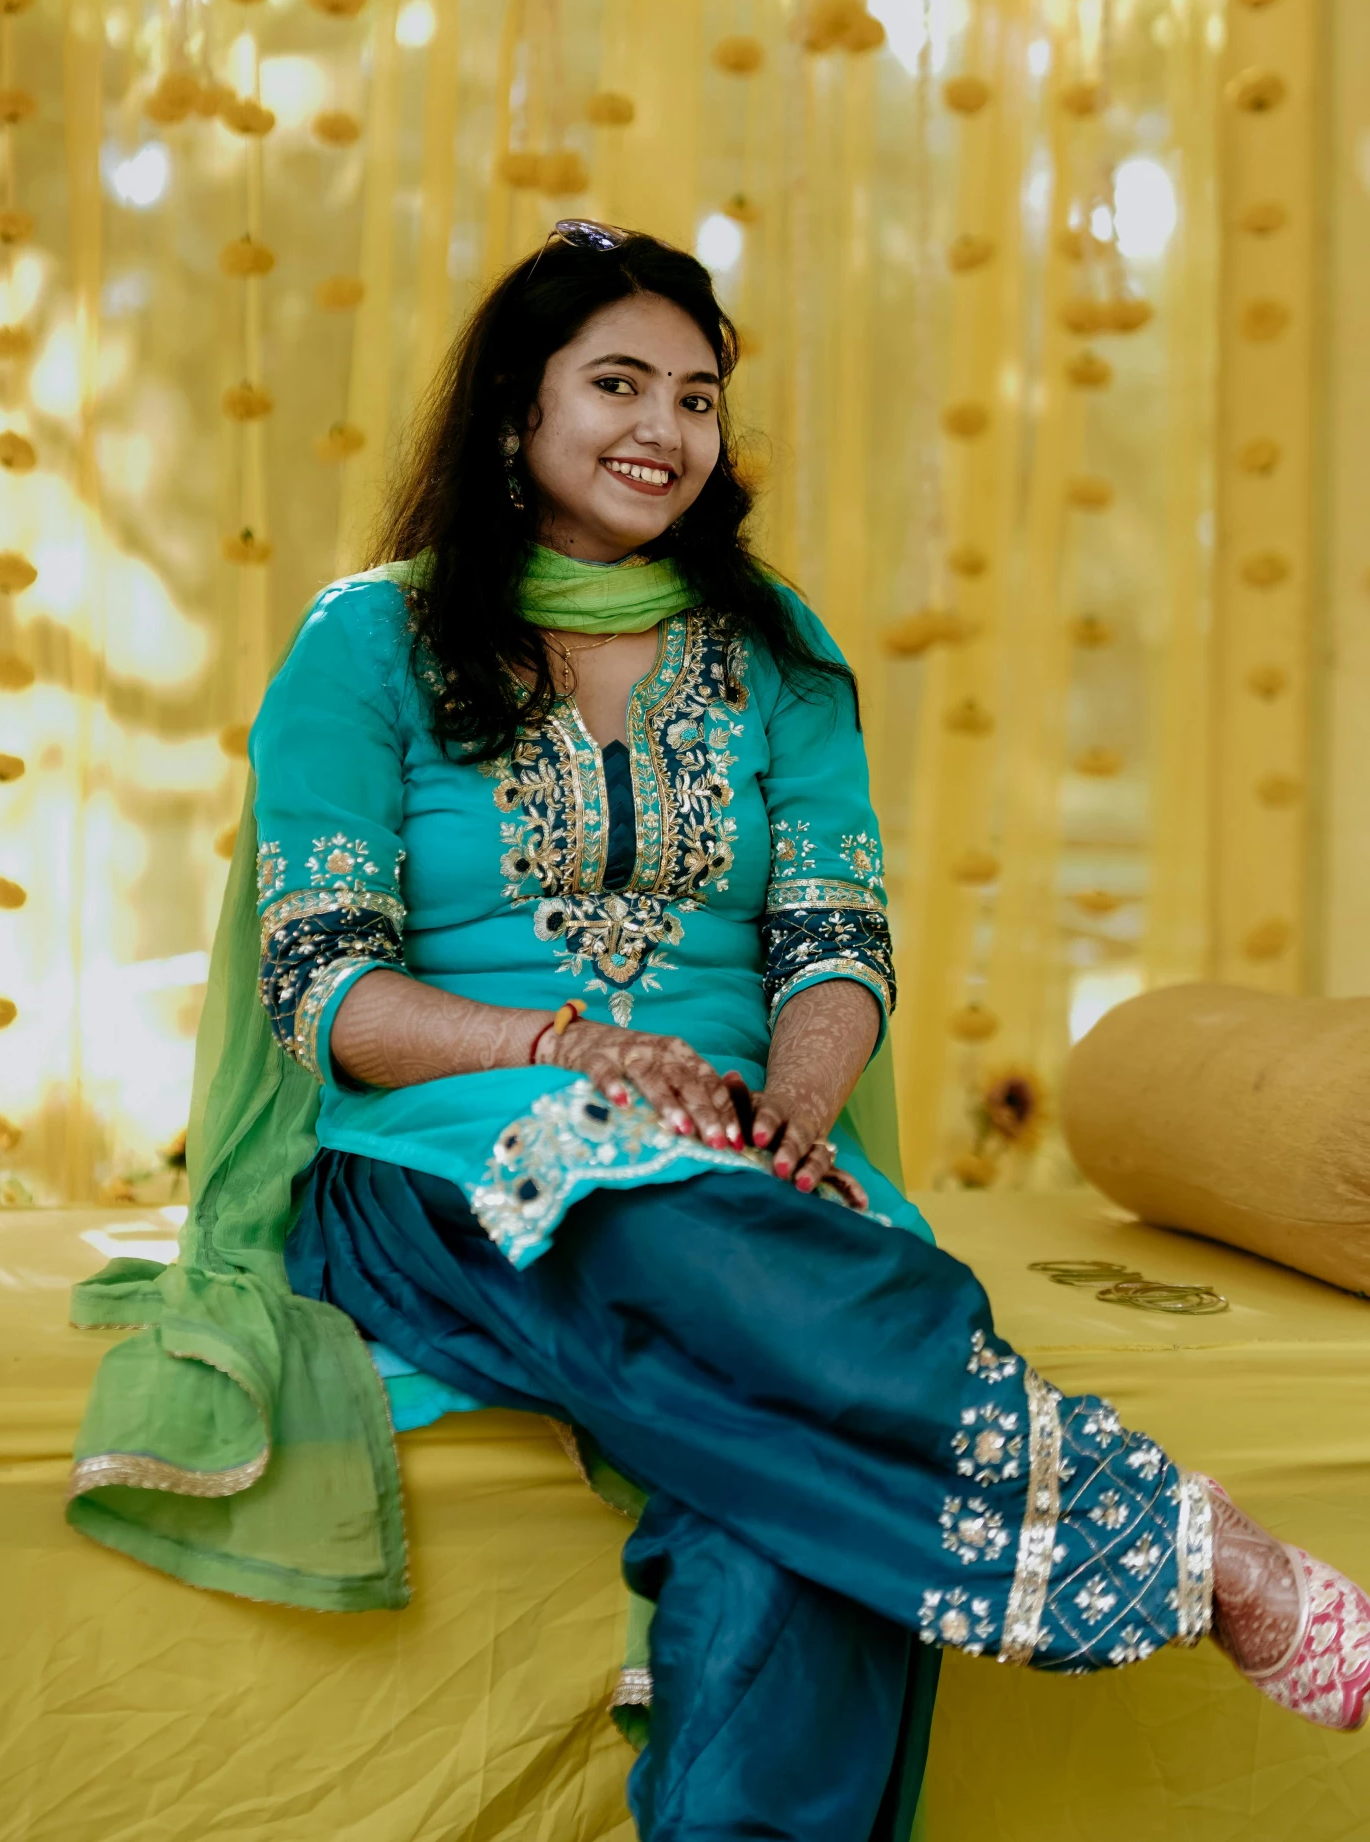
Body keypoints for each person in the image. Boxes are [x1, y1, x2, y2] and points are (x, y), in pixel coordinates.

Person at [71, 224, 1369, 1842]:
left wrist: (796, 1109)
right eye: (616, 383)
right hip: (437, 1156)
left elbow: (832, 942)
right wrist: (564, 1053)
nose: (663, 429)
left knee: (776, 1483)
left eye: (695, 396)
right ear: (511, 414)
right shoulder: (370, 644)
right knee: (771, 1285)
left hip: (739, 1162)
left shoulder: (770, 654)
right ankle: (1199, 1546)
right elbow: (328, 990)